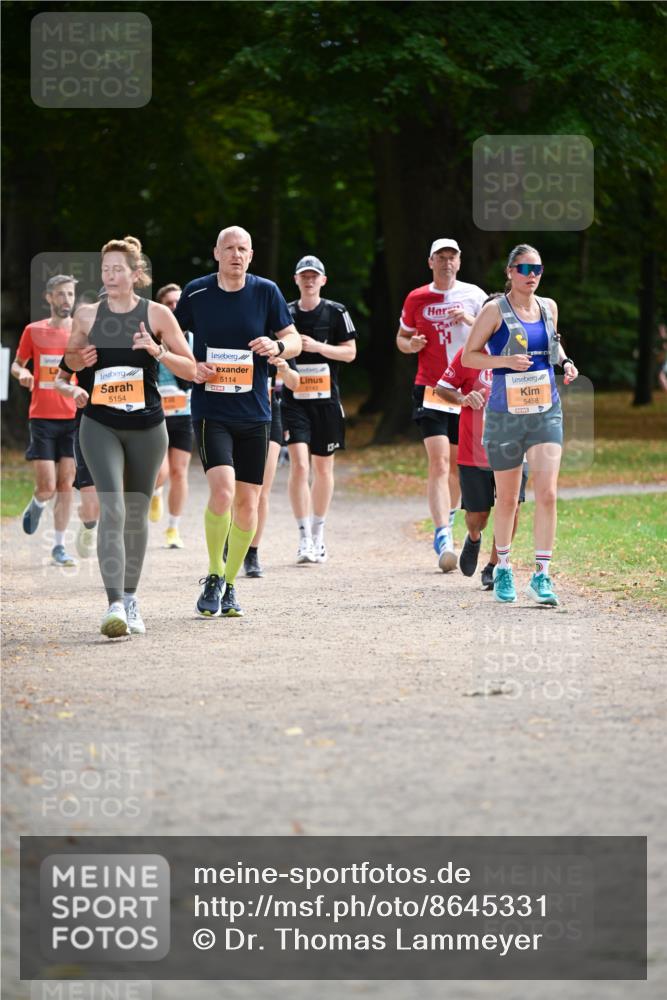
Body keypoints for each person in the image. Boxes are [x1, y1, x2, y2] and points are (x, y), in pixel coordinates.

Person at [65, 236, 196, 637]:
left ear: (136, 274)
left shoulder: (157, 315)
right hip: (99, 422)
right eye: (105, 270)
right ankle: (114, 605)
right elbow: (68, 360)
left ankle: (132, 597)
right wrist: (79, 359)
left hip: (148, 427)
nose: (110, 275)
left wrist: (157, 351)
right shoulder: (87, 315)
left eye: (118, 269)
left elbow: (191, 369)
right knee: (114, 509)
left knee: (136, 514)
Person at [174, 225, 301, 618]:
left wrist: (278, 346)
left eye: (242, 248)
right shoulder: (196, 292)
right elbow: (174, 338)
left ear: (251, 255)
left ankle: (230, 585)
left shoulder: (267, 292)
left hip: (255, 413)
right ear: (216, 253)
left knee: (248, 502)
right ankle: (213, 574)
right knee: (224, 492)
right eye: (229, 248)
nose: (236, 254)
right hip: (212, 411)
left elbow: (294, 339)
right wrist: (191, 368)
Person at [462, 244, 579, 605]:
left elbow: (552, 346)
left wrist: (566, 362)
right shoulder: (494, 310)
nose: (532, 275)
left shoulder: (549, 306)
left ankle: (542, 576)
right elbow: (470, 356)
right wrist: (505, 361)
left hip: (546, 410)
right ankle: (504, 569)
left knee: (547, 493)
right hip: (504, 413)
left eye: (538, 269)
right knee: (509, 498)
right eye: (525, 268)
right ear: (510, 271)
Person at [397, 239, 486, 572]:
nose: (447, 262)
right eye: (441, 257)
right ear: (430, 261)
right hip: (432, 388)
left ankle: (448, 516)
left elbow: (493, 335)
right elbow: (401, 339)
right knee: (439, 461)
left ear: (459, 262)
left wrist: (467, 319)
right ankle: (442, 535)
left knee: (458, 467)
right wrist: (412, 344)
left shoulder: (475, 296)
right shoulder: (417, 297)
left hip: (466, 391)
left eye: (453, 257)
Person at [435, 295, 528, 589]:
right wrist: (463, 398)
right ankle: (473, 538)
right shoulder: (469, 354)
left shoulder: (523, 355)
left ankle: (496, 564)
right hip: (474, 450)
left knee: (510, 505)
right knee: (478, 515)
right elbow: (442, 388)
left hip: (514, 446)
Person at [281, 255, 357, 563]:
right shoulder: (284, 313)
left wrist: (318, 347)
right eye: (304, 276)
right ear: (296, 280)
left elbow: (350, 353)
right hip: (294, 400)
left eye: (315, 276)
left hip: (326, 401)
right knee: (300, 465)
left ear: (323, 281)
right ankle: (302, 538)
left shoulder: (336, 312)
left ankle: (318, 532)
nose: (309, 280)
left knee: (323, 468)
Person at [12, 275, 79, 566]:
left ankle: (59, 546)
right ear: (49, 298)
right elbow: (17, 363)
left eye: (71, 294)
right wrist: (22, 374)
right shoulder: (33, 331)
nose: (67, 300)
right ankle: (38, 502)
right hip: (42, 417)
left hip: (73, 417)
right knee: (47, 485)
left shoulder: (81, 331)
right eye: (61, 294)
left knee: (66, 484)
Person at [242, 356, 300, 577]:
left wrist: (284, 369)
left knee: (261, 491)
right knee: (236, 490)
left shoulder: (276, 339)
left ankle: (252, 553)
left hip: (269, 412)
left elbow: (295, 382)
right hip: (234, 414)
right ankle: (233, 534)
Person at [149, 283, 195, 550]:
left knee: (179, 471)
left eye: (178, 303)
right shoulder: (152, 338)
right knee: (161, 470)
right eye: (169, 303)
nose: (175, 308)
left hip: (185, 413)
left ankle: (173, 528)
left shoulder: (192, 339)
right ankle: (156, 491)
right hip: (157, 413)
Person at [54, 359, 99, 559]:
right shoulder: (82, 341)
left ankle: (119, 569)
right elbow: (59, 380)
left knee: (121, 502)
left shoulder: (137, 340)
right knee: (91, 507)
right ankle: (89, 523)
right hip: (89, 425)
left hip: (127, 428)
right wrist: (73, 391)